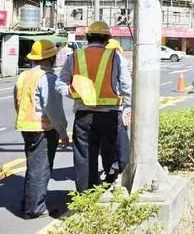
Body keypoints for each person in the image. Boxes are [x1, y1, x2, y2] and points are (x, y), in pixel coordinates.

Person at [55, 21, 132, 192]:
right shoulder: (115, 56)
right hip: (110, 114)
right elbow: (127, 87)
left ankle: (86, 194)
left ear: (88, 37)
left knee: (84, 156)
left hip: (83, 114)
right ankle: (110, 186)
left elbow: (60, 84)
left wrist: (76, 93)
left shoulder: (75, 56)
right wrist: (128, 108)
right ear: (107, 39)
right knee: (111, 152)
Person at [14, 40, 69, 219]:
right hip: (43, 128)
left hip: (26, 126)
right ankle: (34, 208)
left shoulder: (24, 76)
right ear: (51, 57)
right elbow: (53, 109)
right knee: (41, 169)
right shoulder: (48, 78)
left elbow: (18, 101)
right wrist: (62, 131)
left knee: (33, 166)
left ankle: (29, 203)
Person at [101, 38, 130, 183]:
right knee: (121, 144)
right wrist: (129, 108)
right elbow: (126, 85)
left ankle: (110, 171)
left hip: (97, 109)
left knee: (106, 144)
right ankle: (123, 171)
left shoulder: (99, 61)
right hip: (117, 108)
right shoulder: (119, 59)